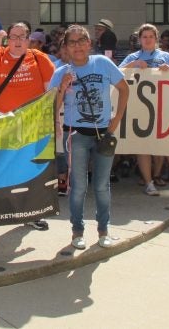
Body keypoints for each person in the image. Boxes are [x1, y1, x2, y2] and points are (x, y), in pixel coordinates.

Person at [49, 25, 129, 249]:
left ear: (89, 43)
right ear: (65, 47)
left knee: (102, 186)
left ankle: (104, 229)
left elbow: (124, 89)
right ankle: (77, 231)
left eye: (81, 41)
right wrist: (62, 88)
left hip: (103, 133)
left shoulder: (102, 63)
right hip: (76, 134)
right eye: (72, 42)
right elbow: (52, 109)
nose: (77, 46)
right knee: (78, 186)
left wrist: (116, 120)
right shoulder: (60, 72)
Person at [0, 21, 55, 231]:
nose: (17, 41)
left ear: (29, 39)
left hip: (31, 123)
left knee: (29, 169)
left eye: (22, 36)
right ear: (7, 38)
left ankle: (31, 212)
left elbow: (52, 92)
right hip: (0, 120)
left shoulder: (39, 59)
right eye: (13, 36)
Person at [119, 24, 169, 199]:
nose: (148, 39)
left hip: (163, 108)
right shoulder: (133, 56)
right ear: (139, 39)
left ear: (156, 38)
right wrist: (133, 64)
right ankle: (149, 183)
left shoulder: (165, 56)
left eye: (151, 36)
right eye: (144, 37)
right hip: (140, 109)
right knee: (143, 147)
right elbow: (118, 73)